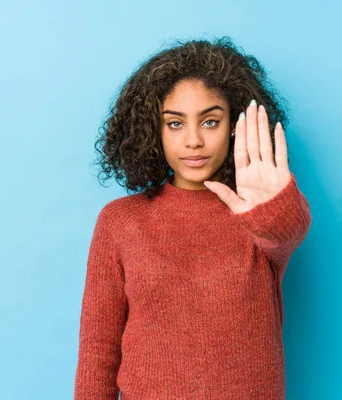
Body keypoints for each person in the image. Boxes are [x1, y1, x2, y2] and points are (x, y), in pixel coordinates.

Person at [74, 36, 312, 400]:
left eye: (210, 122)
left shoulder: (255, 217)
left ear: (235, 124)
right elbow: (97, 355)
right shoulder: (121, 222)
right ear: (153, 129)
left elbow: (288, 232)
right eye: (175, 124)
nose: (194, 141)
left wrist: (271, 207)